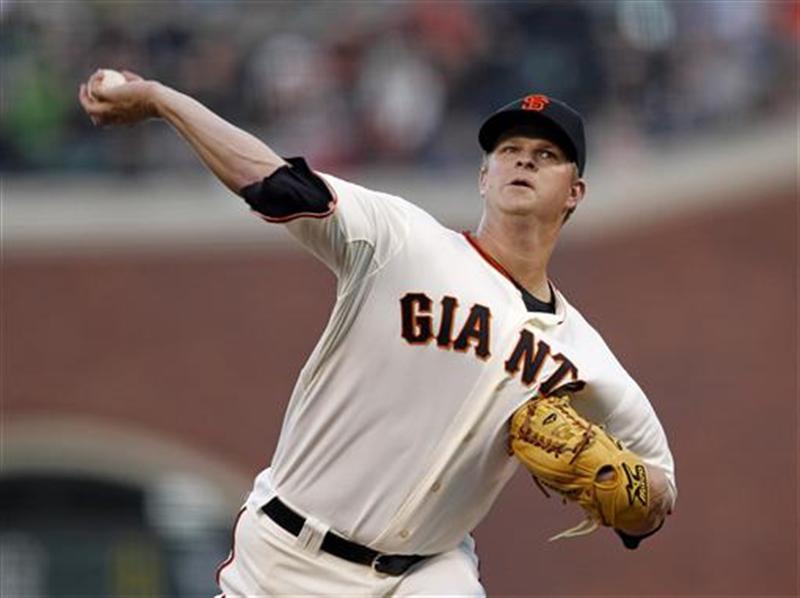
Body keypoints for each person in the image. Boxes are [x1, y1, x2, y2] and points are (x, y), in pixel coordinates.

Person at [79, 70, 676, 597]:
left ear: (575, 193)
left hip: (422, 574)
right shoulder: (401, 241)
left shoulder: (581, 354)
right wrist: (162, 99)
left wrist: (633, 502)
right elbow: (274, 181)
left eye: (546, 154)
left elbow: (658, 486)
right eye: (509, 149)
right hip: (285, 555)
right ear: (482, 175)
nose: (522, 160)